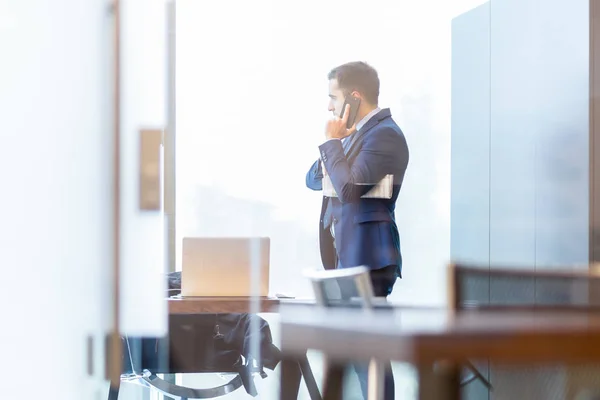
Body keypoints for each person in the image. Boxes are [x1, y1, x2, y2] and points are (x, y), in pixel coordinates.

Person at [305, 61, 409, 400]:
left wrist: (334, 144)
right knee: (357, 355)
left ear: (354, 96)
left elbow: (347, 189)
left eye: (332, 97)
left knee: (371, 356)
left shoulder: (385, 135)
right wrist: (339, 147)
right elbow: (311, 179)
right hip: (348, 257)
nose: (329, 107)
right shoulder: (358, 136)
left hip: (369, 258)